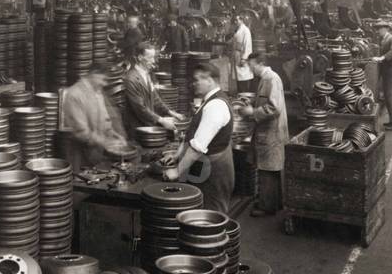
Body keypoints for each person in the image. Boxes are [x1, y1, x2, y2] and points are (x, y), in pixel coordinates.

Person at [163, 62, 235, 214]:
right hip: (206, 167)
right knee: (201, 215)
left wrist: (177, 171)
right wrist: (177, 156)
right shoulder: (208, 101)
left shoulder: (215, 105)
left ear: (210, 80)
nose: (193, 84)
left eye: (197, 80)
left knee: (212, 217)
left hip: (214, 172)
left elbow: (198, 146)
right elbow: (192, 132)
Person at [240, 52, 289, 217]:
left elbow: (274, 108)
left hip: (271, 132)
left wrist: (252, 111)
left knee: (267, 168)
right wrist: (253, 102)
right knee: (271, 167)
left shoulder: (270, 79)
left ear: (260, 63)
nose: (250, 68)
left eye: (252, 65)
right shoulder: (266, 79)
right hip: (268, 131)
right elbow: (267, 100)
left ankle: (266, 207)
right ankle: (274, 203)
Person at [61, 61, 129, 170]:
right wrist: (107, 143)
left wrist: (112, 133)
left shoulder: (97, 91)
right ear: (93, 74)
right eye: (103, 79)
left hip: (95, 152)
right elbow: (81, 132)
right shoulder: (74, 94)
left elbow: (104, 118)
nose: (105, 84)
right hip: (79, 155)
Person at [123, 44, 181, 137]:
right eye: (150, 58)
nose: (153, 61)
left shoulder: (146, 75)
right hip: (137, 130)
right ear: (140, 57)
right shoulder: (130, 79)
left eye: (153, 57)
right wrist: (161, 120)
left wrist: (170, 112)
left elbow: (155, 98)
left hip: (148, 125)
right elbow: (140, 108)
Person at [371, 20, 392, 131]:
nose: (378, 31)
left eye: (380, 28)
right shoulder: (382, 40)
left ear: (386, 28)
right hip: (387, 72)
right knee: (388, 98)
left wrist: (381, 58)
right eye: (377, 28)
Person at [229, 14, 254, 93]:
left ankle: (244, 96)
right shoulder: (238, 29)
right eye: (235, 20)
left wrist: (244, 58)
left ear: (242, 20)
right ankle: (240, 96)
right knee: (239, 78)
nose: (235, 22)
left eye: (237, 20)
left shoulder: (245, 30)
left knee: (243, 78)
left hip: (242, 56)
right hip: (236, 55)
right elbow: (234, 41)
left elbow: (248, 45)